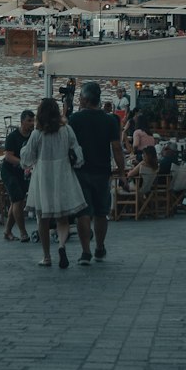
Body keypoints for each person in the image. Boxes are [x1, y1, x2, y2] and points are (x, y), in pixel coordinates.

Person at [22, 97, 86, 269]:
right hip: (62, 174)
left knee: (42, 219)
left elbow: (27, 159)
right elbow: (77, 153)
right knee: (63, 218)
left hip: (43, 176)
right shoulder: (66, 130)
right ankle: (61, 245)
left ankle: (46, 256)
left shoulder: (37, 134)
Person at [70, 80, 127, 265]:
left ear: (85, 100)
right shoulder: (110, 120)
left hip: (80, 171)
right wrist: (122, 171)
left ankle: (85, 252)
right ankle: (100, 248)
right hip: (103, 171)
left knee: (83, 213)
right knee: (101, 212)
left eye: (80, 97)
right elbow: (117, 148)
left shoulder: (75, 119)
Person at [0, 110, 35, 241]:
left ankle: (7, 231)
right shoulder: (13, 137)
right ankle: (23, 232)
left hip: (22, 172)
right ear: (22, 122)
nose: (32, 124)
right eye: (29, 121)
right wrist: (24, 163)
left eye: (33, 121)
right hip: (9, 171)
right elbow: (8, 156)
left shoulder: (33, 136)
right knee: (18, 200)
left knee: (17, 202)